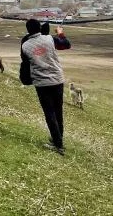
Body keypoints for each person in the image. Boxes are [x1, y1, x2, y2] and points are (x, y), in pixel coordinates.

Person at [21, 19, 71, 155]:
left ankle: (58, 144)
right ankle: (58, 140)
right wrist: (60, 33)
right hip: (57, 80)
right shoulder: (50, 39)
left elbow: (25, 63)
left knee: (49, 113)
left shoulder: (25, 46)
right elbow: (66, 45)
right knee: (58, 111)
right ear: (40, 28)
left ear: (28, 30)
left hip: (41, 83)